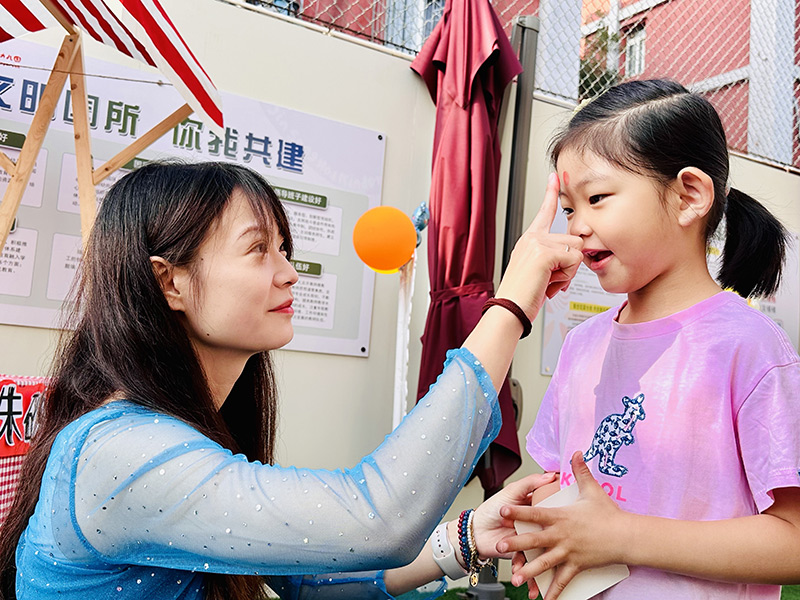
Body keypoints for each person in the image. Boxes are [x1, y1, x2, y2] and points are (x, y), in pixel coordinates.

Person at [0, 161, 583, 600]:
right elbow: (377, 518)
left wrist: (470, 535)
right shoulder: (119, 452)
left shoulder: (175, 433)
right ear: (169, 283)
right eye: (258, 250)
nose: (288, 273)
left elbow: (313, 575)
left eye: (285, 248)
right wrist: (510, 306)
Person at [496, 79, 800, 600]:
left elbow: (793, 542)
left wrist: (622, 537)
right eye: (569, 207)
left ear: (688, 196)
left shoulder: (750, 348)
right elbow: (560, 485)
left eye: (596, 198)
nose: (577, 226)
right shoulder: (583, 343)